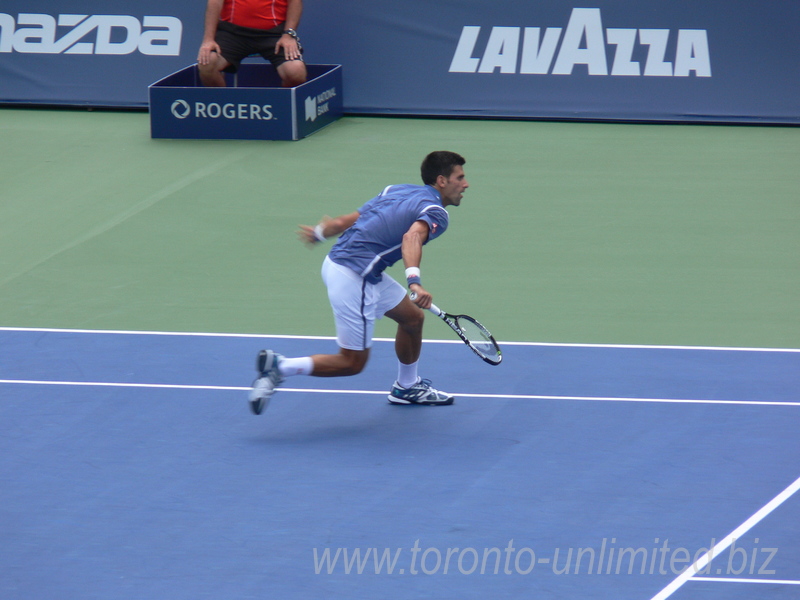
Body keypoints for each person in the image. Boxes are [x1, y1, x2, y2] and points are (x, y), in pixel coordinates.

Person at [248, 151, 470, 414]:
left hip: (341, 264)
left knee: (412, 320)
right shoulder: (435, 212)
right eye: (460, 177)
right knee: (352, 362)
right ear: (442, 181)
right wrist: (414, 283)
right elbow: (412, 238)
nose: (465, 184)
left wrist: (320, 232)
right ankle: (281, 367)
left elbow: (348, 221)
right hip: (355, 277)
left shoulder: (396, 190)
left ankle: (407, 386)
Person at [197, 0, 307, 88]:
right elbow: (214, 2)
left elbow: (295, 2)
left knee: (295, 72)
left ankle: (283, 108)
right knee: (207, 63)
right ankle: (225, 106)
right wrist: (208, 39)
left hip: (274, 34)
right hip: (232, 33)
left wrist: (288, 34)